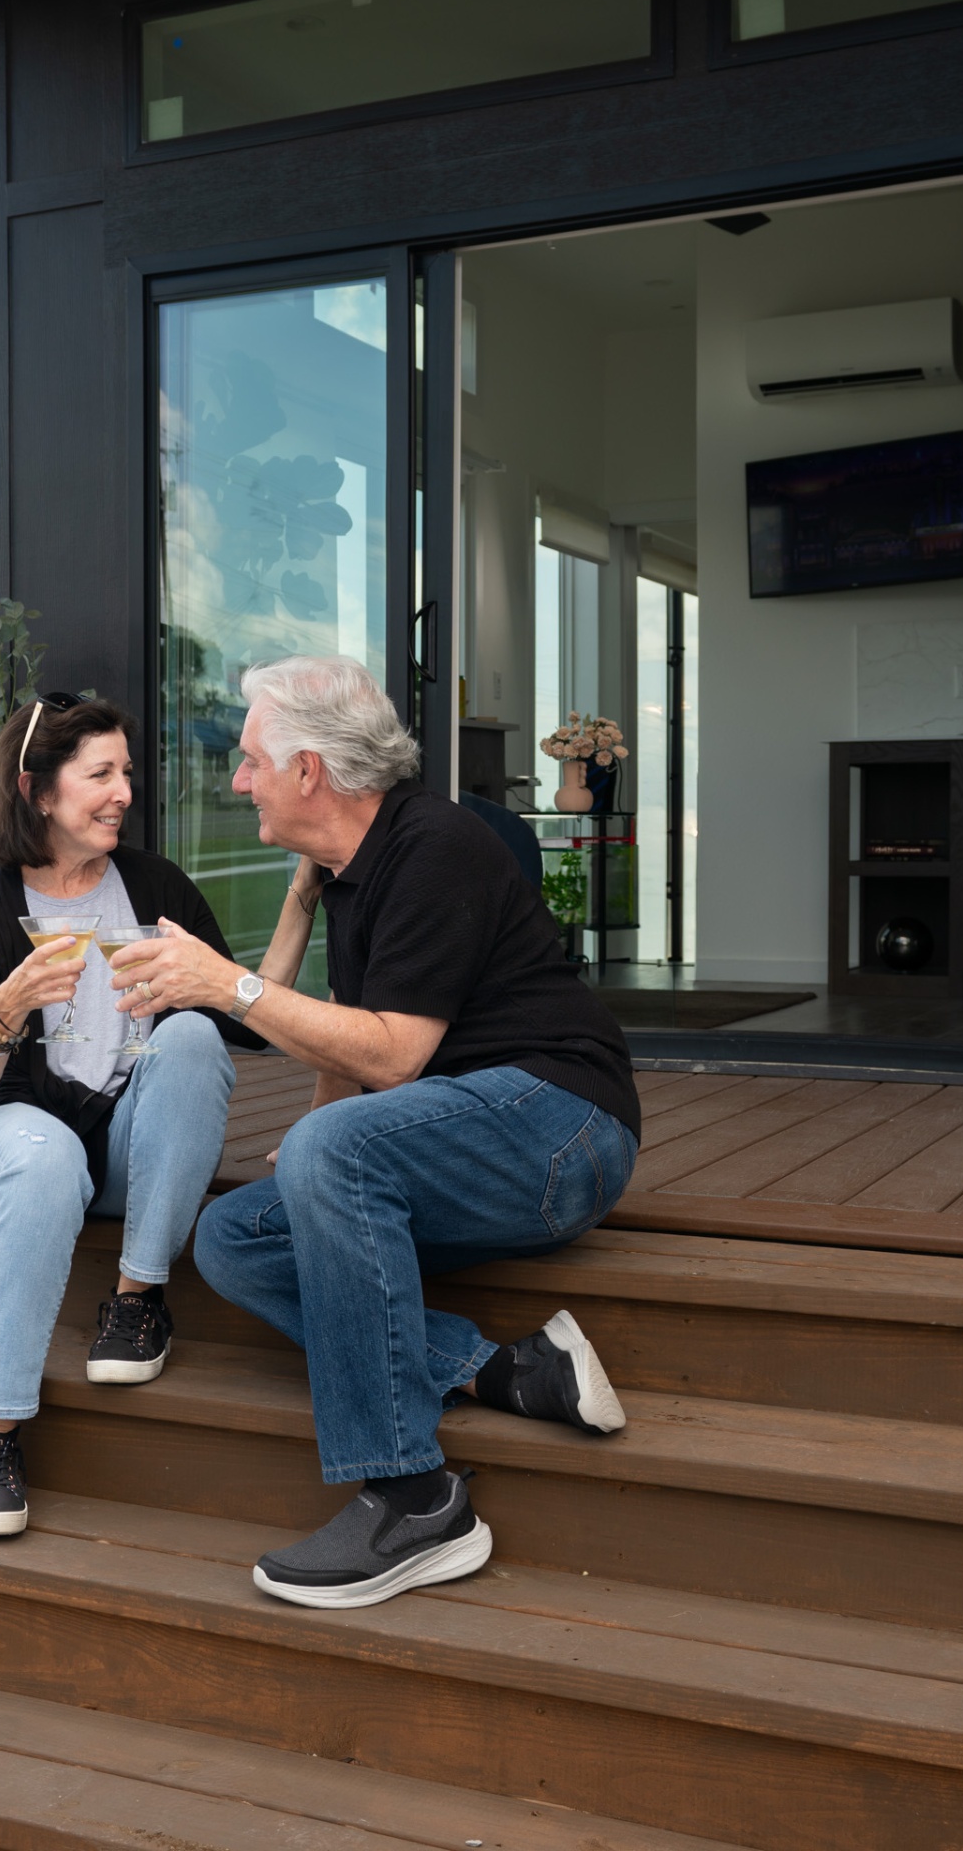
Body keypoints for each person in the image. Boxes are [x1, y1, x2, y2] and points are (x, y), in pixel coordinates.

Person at [110, 656, 641, 1610]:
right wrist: (319, 1151)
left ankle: (413, 1495)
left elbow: (394, 1056)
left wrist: (225, 985)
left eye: (249, 760)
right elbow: (351, 1047)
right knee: (233, 1238)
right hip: (468, 1138)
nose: (236, 782)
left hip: (562, 1129)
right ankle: (506, 1369)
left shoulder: (437, 844)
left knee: (329, 1148)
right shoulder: (352, 869)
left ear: (309, 770)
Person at [0, 692, 309, 1538]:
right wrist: (7, 1005)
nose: (123, 793)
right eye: (100, 774)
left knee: (185, 1038)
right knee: (40, 1159)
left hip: (124, 1158)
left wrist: (299, 901)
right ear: (39, 792)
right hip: (15, 1137)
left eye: (126, 773)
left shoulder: (153, 887)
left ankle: (137, 1298)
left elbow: (240, 1016)